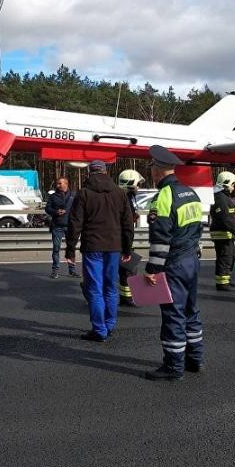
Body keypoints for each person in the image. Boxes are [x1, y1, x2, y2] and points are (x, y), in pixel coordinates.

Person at [143, 146, 204, 381]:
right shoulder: (191, 193)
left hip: (174, 263)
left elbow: (161, 239)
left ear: (157, 170)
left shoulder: (163, 197)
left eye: (152, 168)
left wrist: (152, 269)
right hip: (191, 261)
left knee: (173, 315)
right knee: (191, 312)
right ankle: (195, 359)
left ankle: (173, 367)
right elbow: (197, 230)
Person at [66, 160, 134, 342]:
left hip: (92, 247)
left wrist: (70, 250)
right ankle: (110, 325)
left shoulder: (84, 194)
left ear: (89, 173)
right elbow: (128, 223)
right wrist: (127, 248)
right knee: (111, 287)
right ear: (105, 172)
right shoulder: (120, 193)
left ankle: (99, 330)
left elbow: (74, 224)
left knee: (94, 289)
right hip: (114, 247)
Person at [117, 169, 145, 306]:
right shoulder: (125, 199)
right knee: (129, 269)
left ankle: (125, 297)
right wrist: (127, 249)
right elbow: (125, 225)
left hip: (121, 240)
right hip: (122, 240)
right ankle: (126, 297)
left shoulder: (124, 197)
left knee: (124, 270)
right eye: (137, 184)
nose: (139, 187)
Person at [210, 171, 235, 291]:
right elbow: (225, 218)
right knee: (225, 258)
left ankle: (226, 279)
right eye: (233, 184)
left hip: (226, 234)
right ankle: (222, 284)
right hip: (222, 234)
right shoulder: (221, 198)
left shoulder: (222, 197)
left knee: (230, 257)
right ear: (226, 184)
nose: (233, 187)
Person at [44, 177, 78, 279]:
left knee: (71, 248)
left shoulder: (74, 195)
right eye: (58, 183)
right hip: (57, 225)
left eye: (60, 183)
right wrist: (55, 212)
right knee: (56, 249)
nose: (58, 185)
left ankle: (72, 270)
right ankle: (55, 271)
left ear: (66, 184)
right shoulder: (53, 196)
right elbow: (47, 208)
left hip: (70, 225)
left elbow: (79, 208)